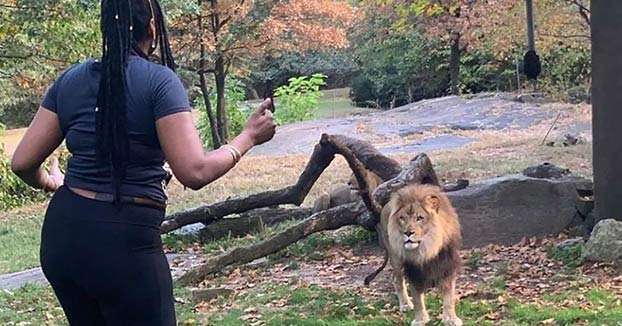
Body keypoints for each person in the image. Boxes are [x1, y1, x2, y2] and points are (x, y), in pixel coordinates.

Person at [10, 0, 276, 325]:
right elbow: (194, 171)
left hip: (63, 238)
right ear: (152, 28)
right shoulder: (159, 82)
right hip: (124, 245)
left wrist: (52, 182)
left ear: (106, 26)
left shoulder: (70, 80)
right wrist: (248, 136)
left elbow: (22, 162)